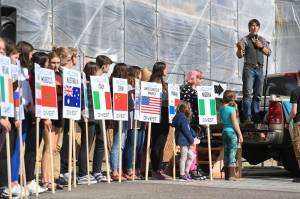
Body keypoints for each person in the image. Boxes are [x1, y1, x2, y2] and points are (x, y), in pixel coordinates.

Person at [236, 19, 271, 123]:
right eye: (252, 26)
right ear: (249, 28)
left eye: (256, 26)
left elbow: (269, 53)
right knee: (247, 94)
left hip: (259, 69)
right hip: (249, 68)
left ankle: (255, 116)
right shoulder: (244, 39)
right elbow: (239, 55)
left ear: (259, 28)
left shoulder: (262, 39)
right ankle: (247, 117)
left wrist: (261, 46)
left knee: (258, 95)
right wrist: (239, 49)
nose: (254, 27)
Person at [77, 62, 107, 184]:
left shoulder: (98, 83)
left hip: (100, 115)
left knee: (101, 142)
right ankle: (83, 173)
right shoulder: (83, 84)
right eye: (96, 71)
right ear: (91, 72)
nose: (98, 73)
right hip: (89, 117)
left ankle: (97, 171)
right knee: (86, 144)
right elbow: (82, 101)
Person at [41, 51, 63, 190]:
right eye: (53, 62)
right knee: (48, 147)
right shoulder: (44, 75)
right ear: (48, 62)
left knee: (54, 148)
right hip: (48, 111)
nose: (55, 65)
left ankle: (51, 178)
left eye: (58, 63)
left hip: (59, 112)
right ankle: (45, 179)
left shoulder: (60, 75)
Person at [180, 69, 206, 180]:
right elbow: (192, 107)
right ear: (193, 78)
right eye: (199, 78)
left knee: (192, 146)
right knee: (191, 146)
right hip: (190, 121)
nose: (201, 80)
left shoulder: (191, 89)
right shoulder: (188, 90)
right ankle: (191, 169)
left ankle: (193, 168)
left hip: (192, 121)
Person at [149, 62, 169, 180]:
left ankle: (159, 169)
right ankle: (154, 169)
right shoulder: (152, 84)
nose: (167, 71)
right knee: (156, 143)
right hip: (156, 115)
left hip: (166, 115)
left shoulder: (164, 84)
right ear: (160, 70)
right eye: (166, 69)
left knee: (162, 144)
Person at [109, 63, 128, 181]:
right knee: (117, 144)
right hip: (117, 115)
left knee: (121, 144)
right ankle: (115, 170)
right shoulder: (114, 84)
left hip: (123, 114)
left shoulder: (124, 84)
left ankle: (119, 170)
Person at [172, 101, 200, 181]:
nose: (190, 110)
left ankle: (186, 172)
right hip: (183, 141)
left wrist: (194, 135)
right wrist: (192, 140)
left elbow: (189, 129)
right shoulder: (183, 118)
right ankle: (182, 174)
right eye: (189, 108)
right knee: (183, 157)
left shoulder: (183, 118)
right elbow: (186, 131)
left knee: (191, 156)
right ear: (185, 109)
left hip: (185, 140)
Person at [220, 90, 243, 180]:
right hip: (232, 132)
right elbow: (235, 123)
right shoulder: (232, 109)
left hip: (224, 131)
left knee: (226, 152)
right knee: (232, 152)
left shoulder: (222, 108)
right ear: (232, 98)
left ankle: (227, 175)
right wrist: (240, 134)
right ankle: (231, 175)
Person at [286, 70, 300, 183]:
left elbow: (294, 111)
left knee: (299, 149)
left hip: (299, 123)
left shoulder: (295, 92)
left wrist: (287, 121)